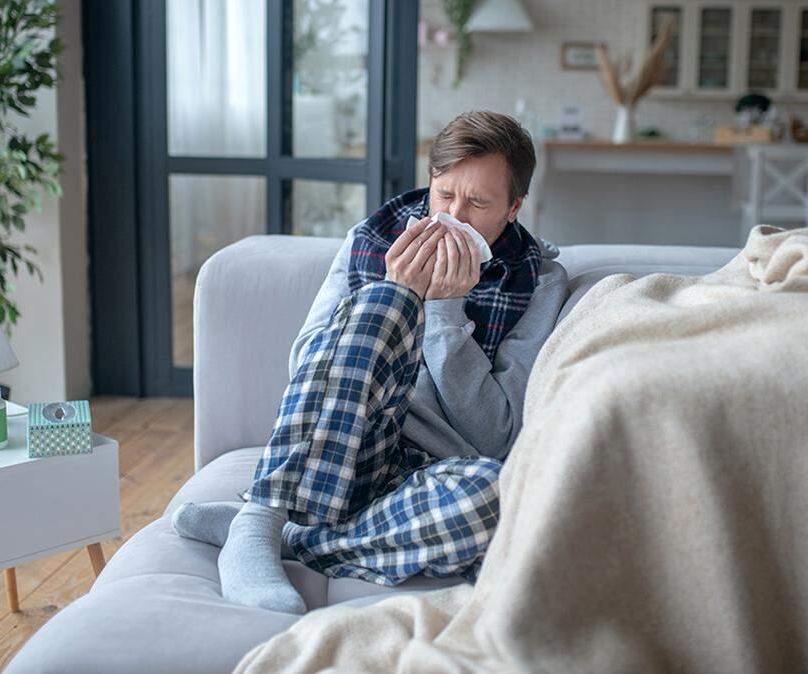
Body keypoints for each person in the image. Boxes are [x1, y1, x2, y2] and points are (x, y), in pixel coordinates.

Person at [172, 110, 569, 614]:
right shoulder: (372, 240)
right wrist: (401, 292)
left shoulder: (537, 282)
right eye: (444, 195)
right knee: (385, 302)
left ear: (513, 208)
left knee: (497, 498)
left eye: (478, 202)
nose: (454, 215)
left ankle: (289, 537)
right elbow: (306, 363)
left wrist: (446, 312)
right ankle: (259, 521)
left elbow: (495, 435)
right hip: (343, 442)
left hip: (430, 470)